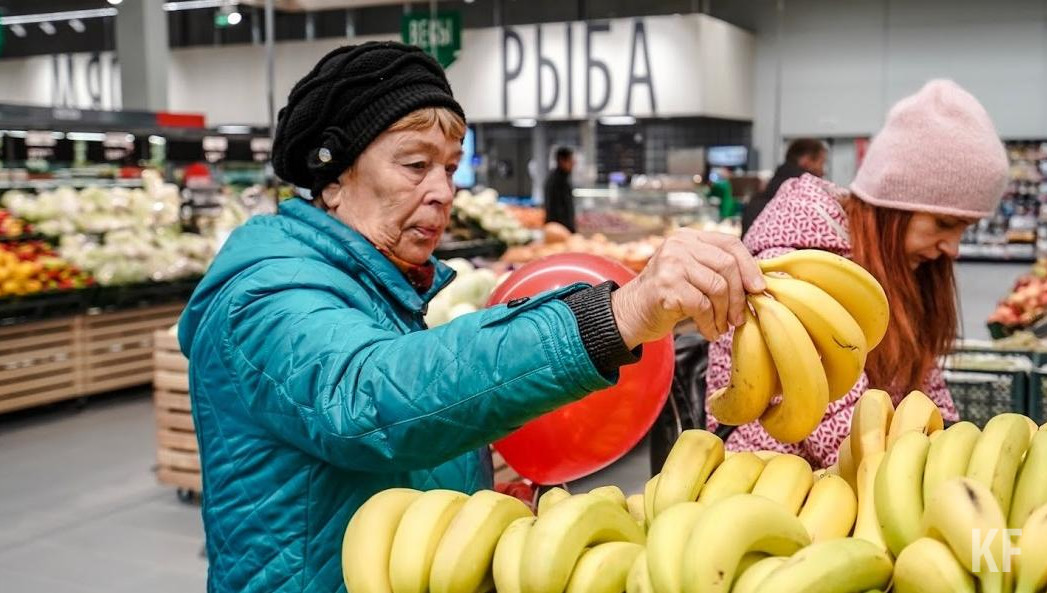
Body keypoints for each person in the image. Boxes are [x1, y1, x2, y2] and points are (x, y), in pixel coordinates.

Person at [178, 41, 765, 593]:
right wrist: (617, 314)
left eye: (450, 168)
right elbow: (367, 400)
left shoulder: (378, 288)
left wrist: (479, 503)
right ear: (334, 179)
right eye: (415, 164)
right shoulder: (263, 296)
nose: (441, 191)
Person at [707, 79, 1009, 467]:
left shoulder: (898, 264)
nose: (952, 247)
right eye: (944, 224)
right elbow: (828, 418)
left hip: (863, 473)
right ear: (892, 208)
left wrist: (948, 432)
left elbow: (923, 380)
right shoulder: (794, 266)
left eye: (963, 229)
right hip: (772, 484)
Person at [741, 138, 828, 236]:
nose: (823, 171)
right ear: (806, 160)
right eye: (821, 163)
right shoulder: (808, 202)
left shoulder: (756, 201)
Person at [543, 146, 577, 232]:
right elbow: (556, 209)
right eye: (571, 160)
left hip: (560, 229)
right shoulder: (556, 181)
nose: (573, 163)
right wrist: (568, 229)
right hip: (558, 229)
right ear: (562, 160)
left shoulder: (563, 178)